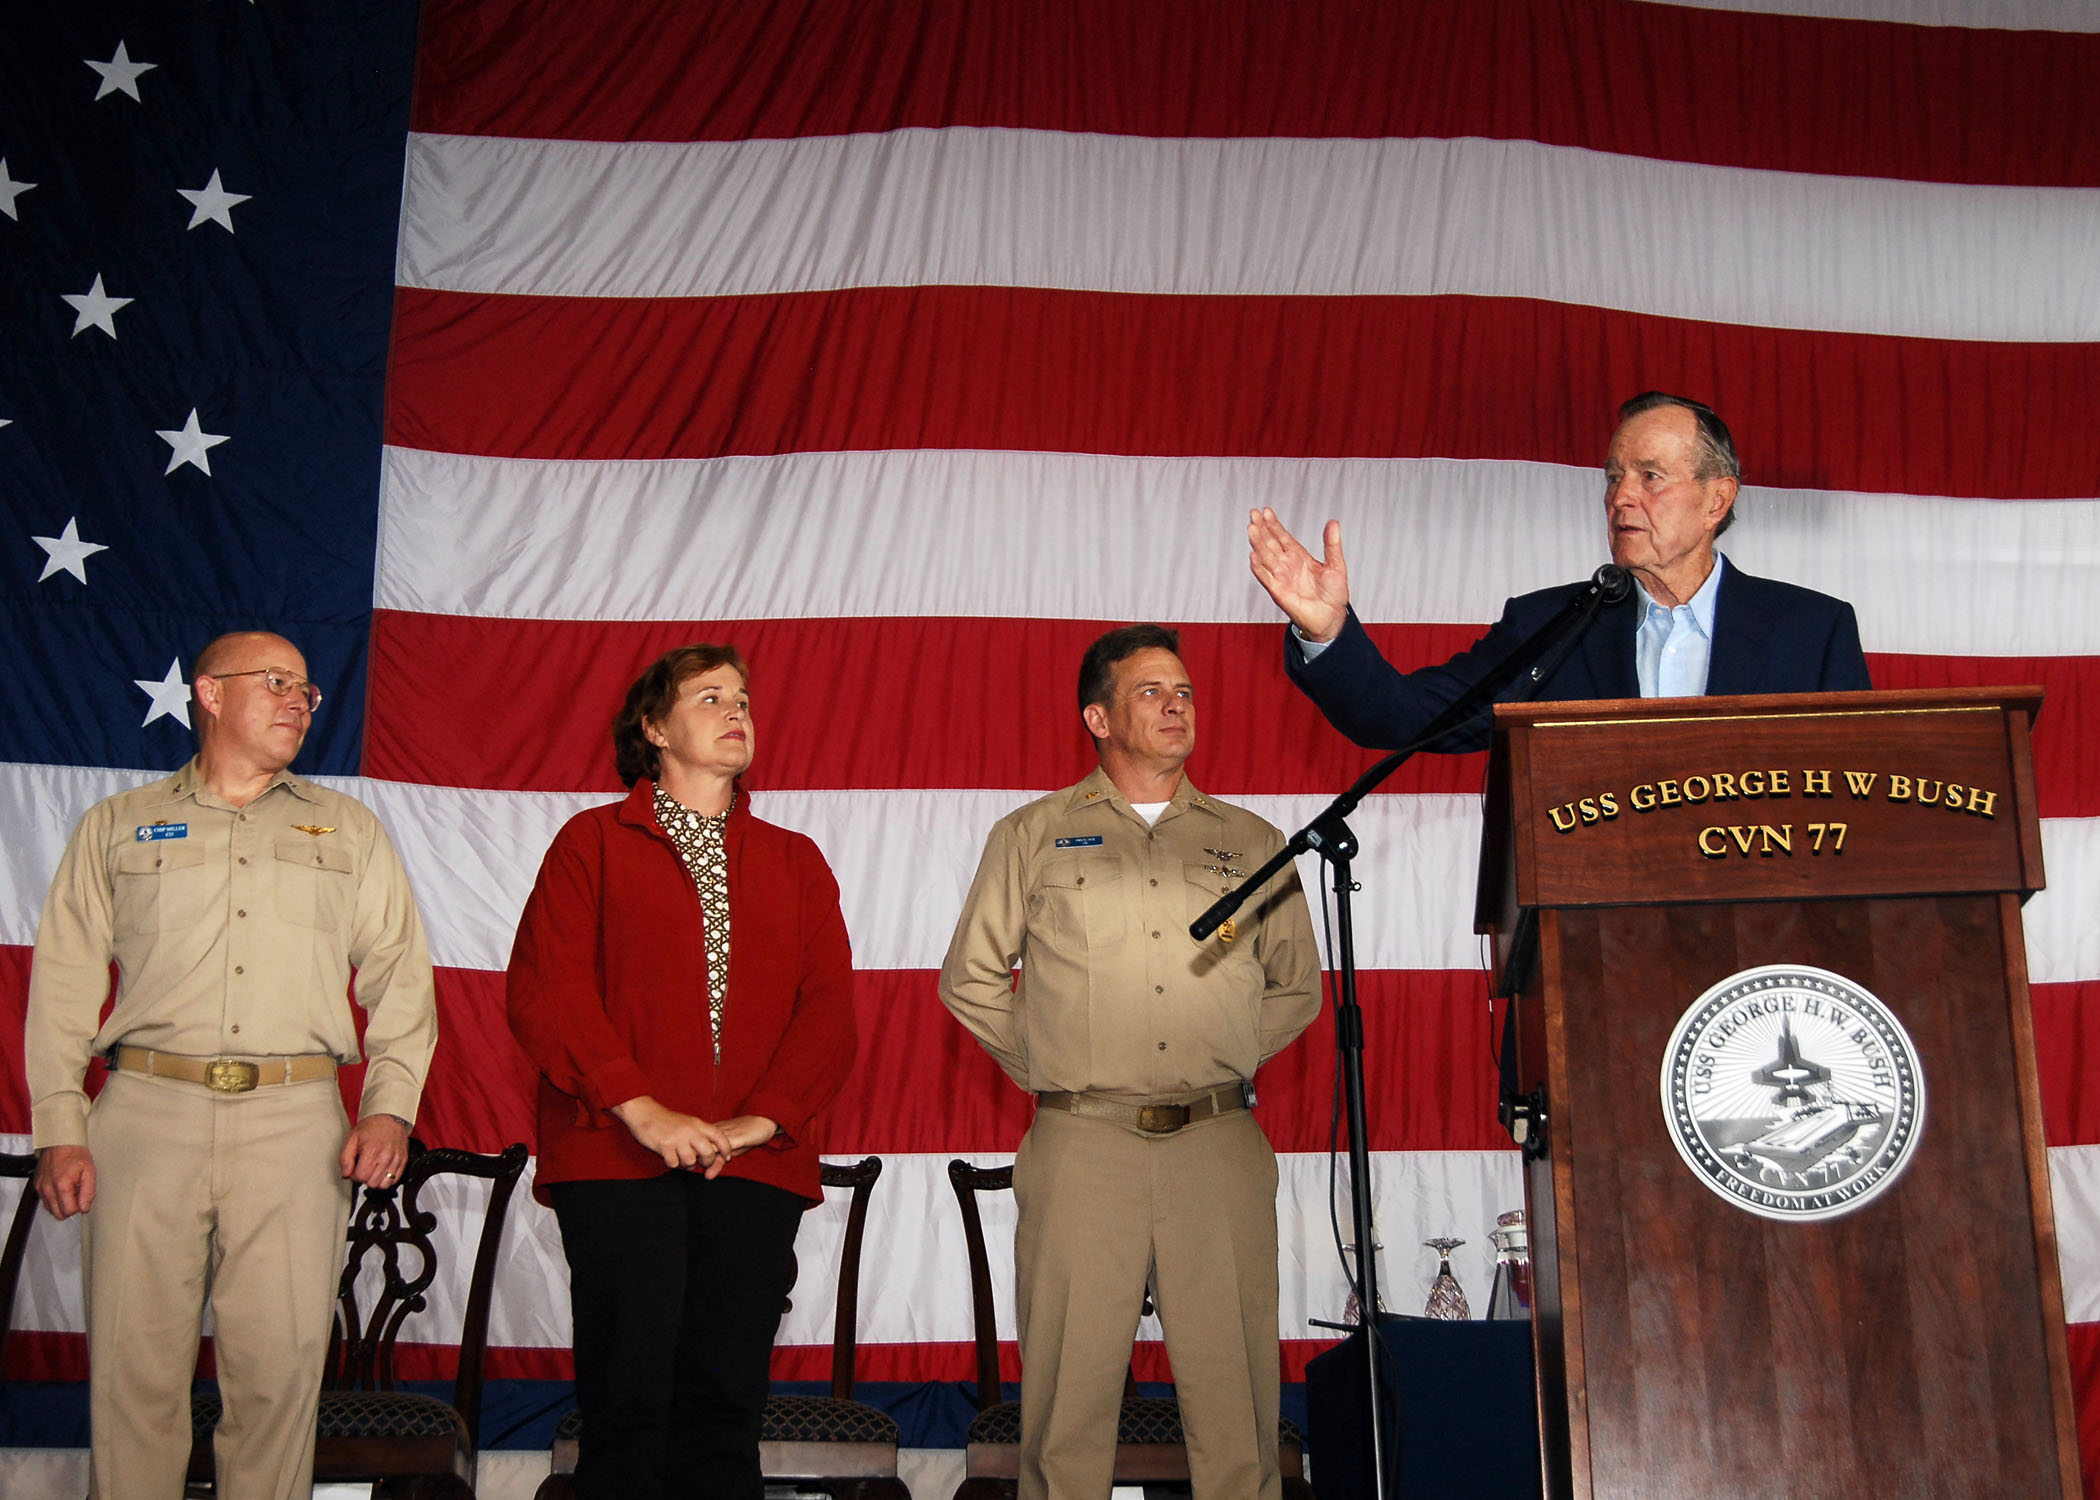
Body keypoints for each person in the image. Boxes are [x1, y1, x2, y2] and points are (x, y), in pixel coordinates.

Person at [25, 630, 438, 1500]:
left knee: (278, 1382)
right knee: (134, 1381)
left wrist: (390, 1107)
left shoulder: (349, 829)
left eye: (308, 690)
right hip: (144, 1113)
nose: (299, 700)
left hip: (296, 1126)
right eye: (277, 682)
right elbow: (62, 985)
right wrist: (61, 1125)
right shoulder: (119, 824)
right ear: (209, 695)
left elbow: (402, 978)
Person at [940, 625, 1320, 1500]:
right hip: (1084, 1146)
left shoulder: (1253, 841)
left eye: (1183, 690)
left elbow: (1297, 988)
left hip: (1216, 1144)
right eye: (1150, 691)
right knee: (1067, 1417)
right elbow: (971, 978)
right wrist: (1055, 1060)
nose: (1176, 703)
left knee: (1237, 1413)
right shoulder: (1033, 834)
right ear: (1098, 717)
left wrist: (1217, 1047)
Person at [506, 643, 856, 1500]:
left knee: (726, 1410)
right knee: (626, 1412)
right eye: (709, 698)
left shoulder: (796, 861)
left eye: (742, 698)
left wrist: (760, 1120)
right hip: (618, 1158)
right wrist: (641, 1108)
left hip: (755, 1166)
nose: (736, 711)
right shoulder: (591, 842)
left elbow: (829, 1016)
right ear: (655, 728)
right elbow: (550, 992)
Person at [1248, 392, 1872, 751]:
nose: (1620, 496)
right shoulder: (1553, 627)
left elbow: (1862, 801)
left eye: (1649, 477)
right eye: (1613, 477)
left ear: (1717, 499)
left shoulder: (1811, 632)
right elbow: (1406, 717)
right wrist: (1327, 633)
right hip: (1592, 943)